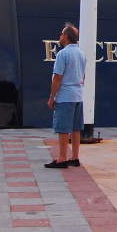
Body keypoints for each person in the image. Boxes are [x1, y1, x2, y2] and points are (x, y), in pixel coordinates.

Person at [46, 23, 86, 167]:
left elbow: (57, 77)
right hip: (78, 96)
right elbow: (83, 76)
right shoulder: (81, 54)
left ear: (67, 36)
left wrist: (52, 97)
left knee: (63, 128)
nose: (60, 36)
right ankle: (75, 157)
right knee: (76, 129)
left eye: (62, 34)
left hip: (65, 96)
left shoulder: (63, 54)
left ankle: (62, 158)